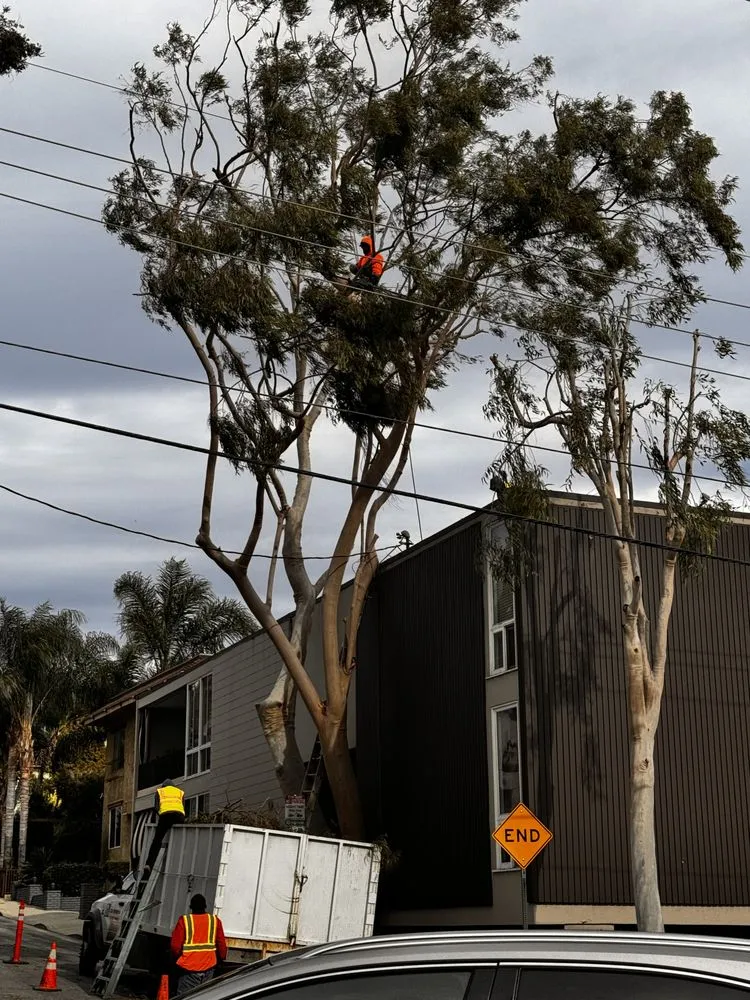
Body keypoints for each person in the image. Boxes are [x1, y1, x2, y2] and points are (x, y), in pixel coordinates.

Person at [170, 893, 227, 995]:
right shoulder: (214, 920)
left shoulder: (184, 921)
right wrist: (221, 958)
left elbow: (175, 946)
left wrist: (176, 958)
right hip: (209, 967)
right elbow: (221, 944)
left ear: (191, 907)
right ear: (205, 906)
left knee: (186, 996)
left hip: (188, 969)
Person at [142, 779, 185, 875]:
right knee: (179, 836)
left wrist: (161, 818)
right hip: (179, 817)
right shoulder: (180, 792)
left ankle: (149, 864)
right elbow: (182, 807)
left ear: (163, 786)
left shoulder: (160, 791)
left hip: (166, 816)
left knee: (157, 840)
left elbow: (156, 808)